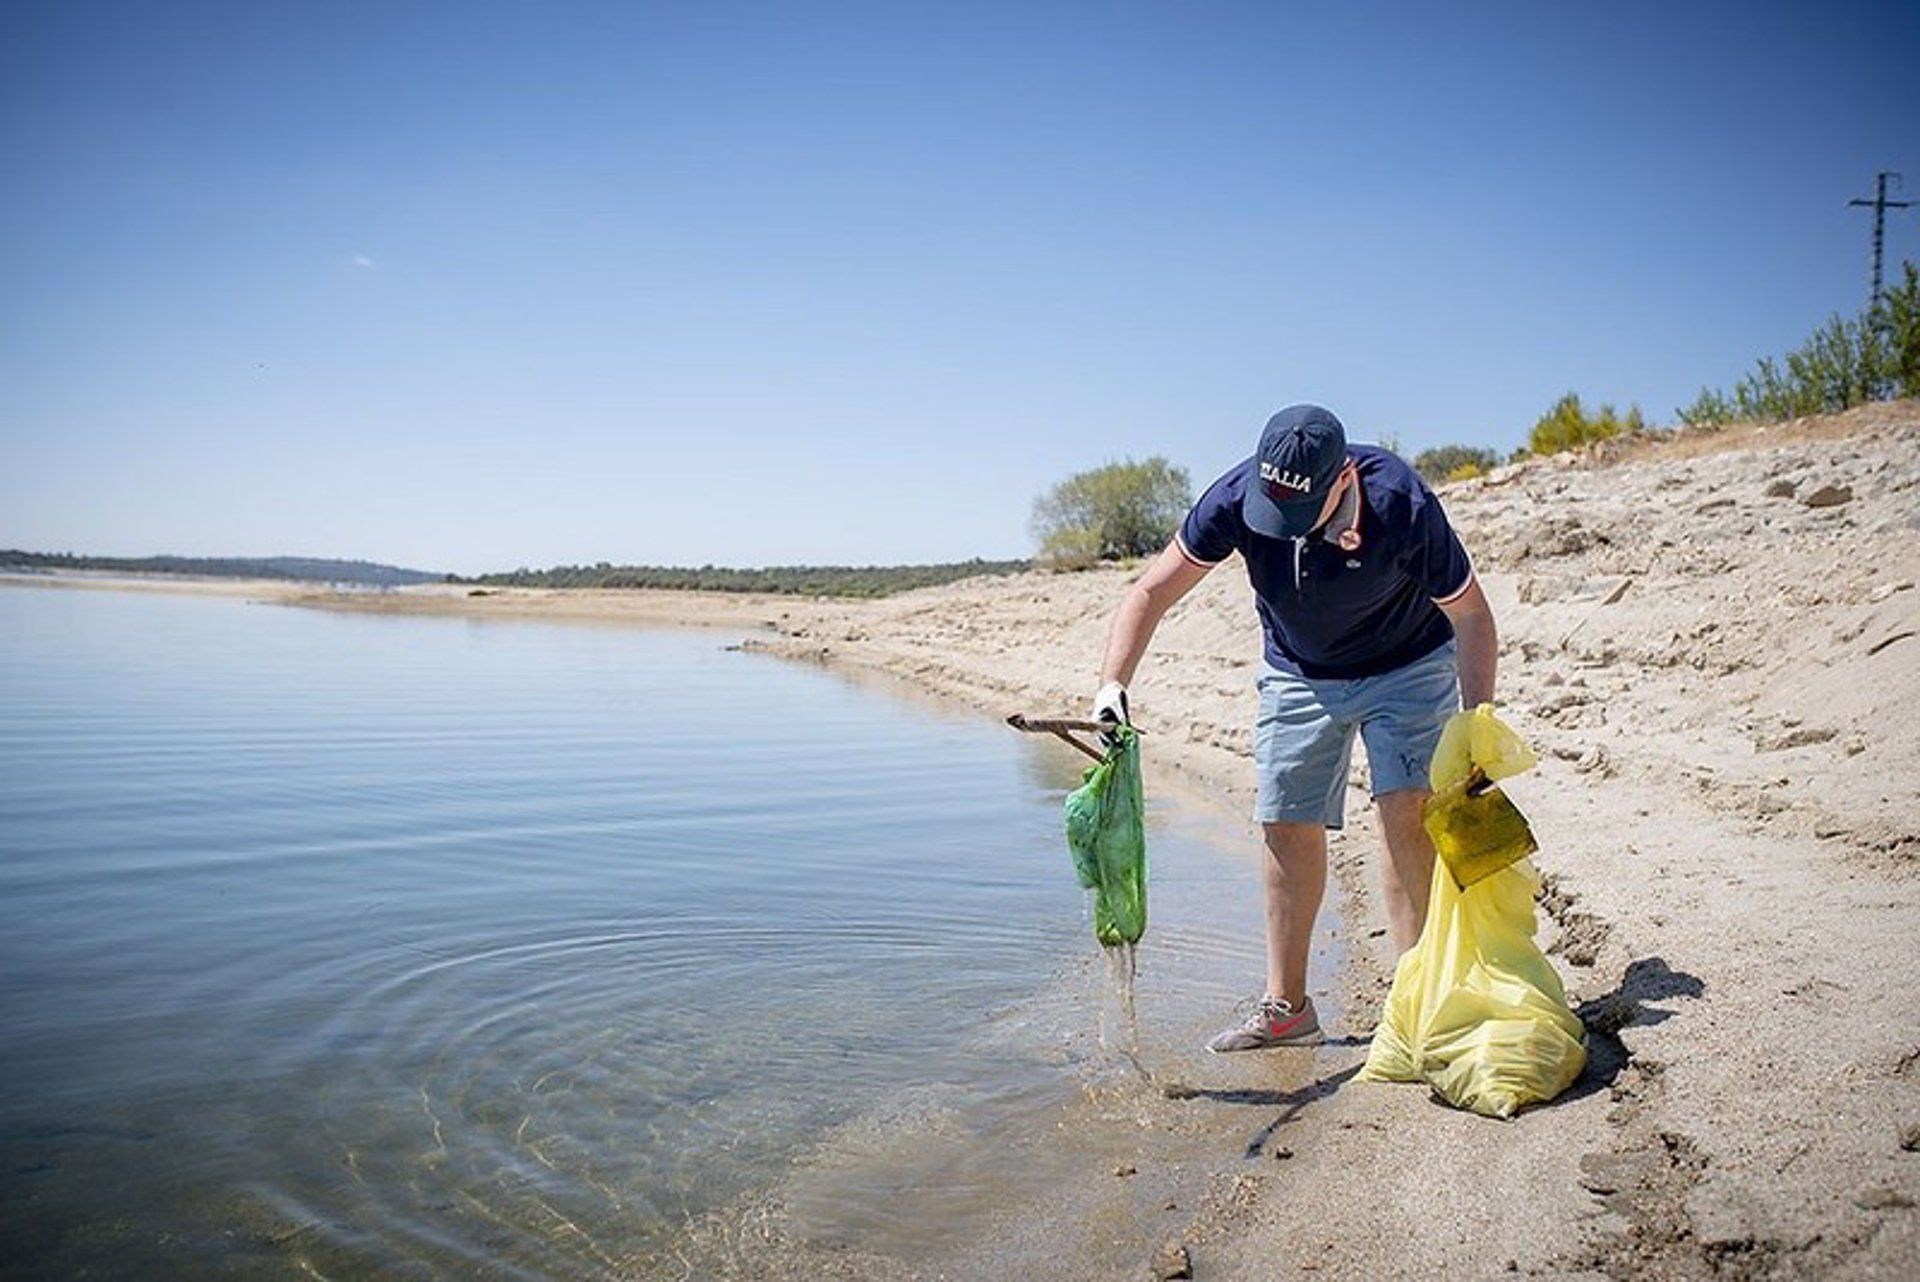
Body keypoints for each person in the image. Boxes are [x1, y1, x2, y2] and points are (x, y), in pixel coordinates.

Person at [1093, 404, 1498, 1053]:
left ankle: (1421, 1001)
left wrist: (1478, 725)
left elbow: (1473, 616)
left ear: (1341, 479)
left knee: (1404, 810)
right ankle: (1288, 1010)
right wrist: (1113, 685)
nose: (1280, 530)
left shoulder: (1400, 500)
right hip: (1297, 670)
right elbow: (1151, 592)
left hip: (1409, 664)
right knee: (1284, 818)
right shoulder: (1232, 496)